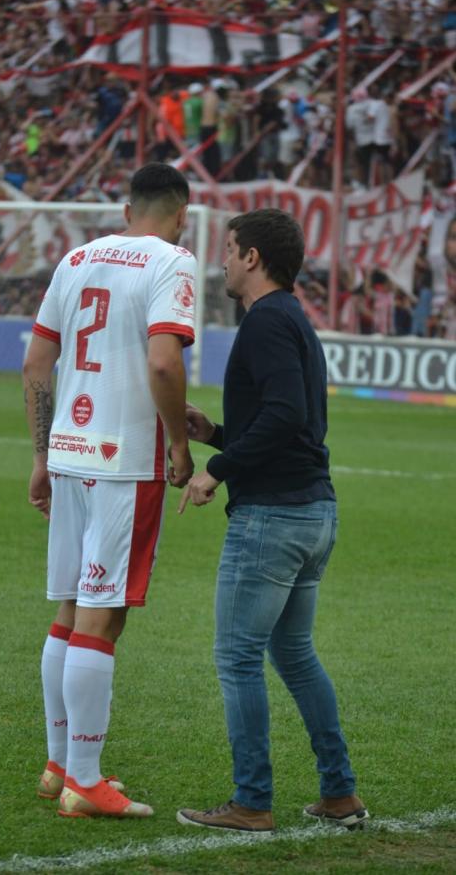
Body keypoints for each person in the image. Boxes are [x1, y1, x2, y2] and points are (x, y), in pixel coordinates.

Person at [175, 209, 368, 833]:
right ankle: (338, 793)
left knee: (237, 657)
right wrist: (217, 437)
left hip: (274, 519)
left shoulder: (265, 322)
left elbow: (285, 415)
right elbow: (292, 424)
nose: (222, 261)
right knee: (295, 656)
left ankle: (252, 801)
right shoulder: (293, 320)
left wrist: (218, 467)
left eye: (229, 250)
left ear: (252, 257)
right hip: (312, 511)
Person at [22, 162, 196, 820]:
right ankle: (86, 783)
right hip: (125, 462)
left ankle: (60, 764)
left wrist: (41, 454)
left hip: (68, 455)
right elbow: (161, 359)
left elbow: (38, 361)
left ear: (127, 209)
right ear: (180, 212)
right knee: (102, 616)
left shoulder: (75, 259)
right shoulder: (172, 261)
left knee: (68, 610)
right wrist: (179, 445)